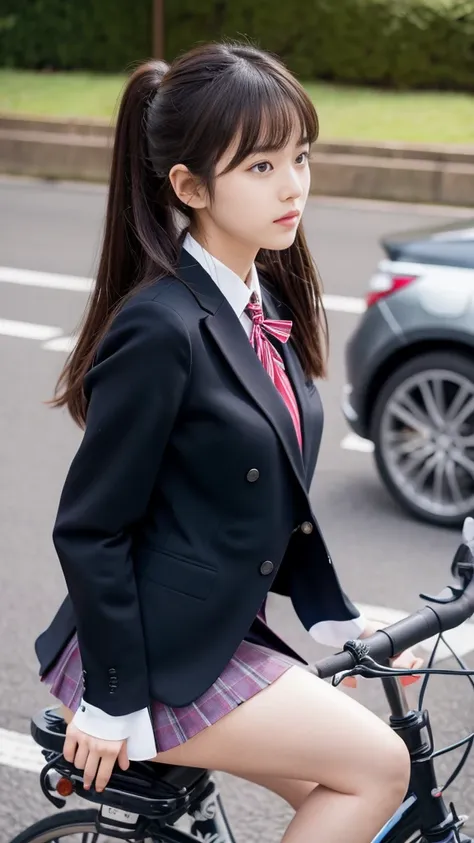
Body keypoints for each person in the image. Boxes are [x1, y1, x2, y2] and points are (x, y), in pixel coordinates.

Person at [34, 41, 423, 843]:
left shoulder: (260, 297)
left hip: (211, 631)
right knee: (381, 767)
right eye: (260, 167)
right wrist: (112, 697)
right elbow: (91, 527)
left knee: (344, 779)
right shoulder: (158, 327)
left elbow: (270, 481)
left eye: (301, 157)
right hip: (148, 658)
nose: (294, 186)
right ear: (189, 186)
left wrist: (334, 622)